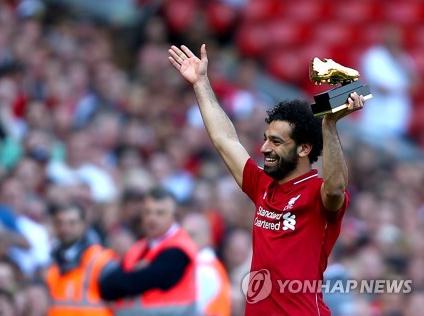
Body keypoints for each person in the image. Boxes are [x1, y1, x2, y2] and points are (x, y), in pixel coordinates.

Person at [168, 44, 365, 315]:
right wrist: (201, 83)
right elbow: (225, 140)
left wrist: (329, 126)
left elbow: (335, 188)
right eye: (265, 140)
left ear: (304, 149)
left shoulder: (318, 193)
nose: (264, 149)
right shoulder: (262, 185)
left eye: (276, 142)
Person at [99, 187, 198, 316]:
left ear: (174, 216)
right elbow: (107, 286)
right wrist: (134, 277)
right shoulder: (138, 248)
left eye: (160, 213)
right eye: (147, 212)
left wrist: (134, 276)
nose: (152, 218)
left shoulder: (179, 249)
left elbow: (141, 281)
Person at [45, 204, 117, 316]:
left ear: (83, 225)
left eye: (72, 223)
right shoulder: (51, 261)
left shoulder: (100, 259)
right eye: (60, 223)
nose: (65, 228)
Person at [182, 212, 231, 316]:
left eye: (192, 235)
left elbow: (190, 310)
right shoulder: (210, 265)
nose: (186, 240)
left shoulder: (204, 269)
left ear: (207, 237)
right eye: (183, 235)